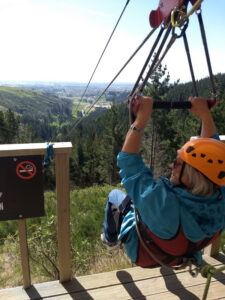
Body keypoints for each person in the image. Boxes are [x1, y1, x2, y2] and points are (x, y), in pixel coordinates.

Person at [101, 96, 225, 268]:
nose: (171, 165)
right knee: (136, 199)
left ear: (192, 175)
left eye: (177, 163)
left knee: (115, 195)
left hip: (144, 253)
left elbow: (127, 162)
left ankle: (110, 239)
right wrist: (205, 115)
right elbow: (214, 157)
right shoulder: (220, 196)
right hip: (181, 252)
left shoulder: (164, 203)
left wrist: (141, 118)